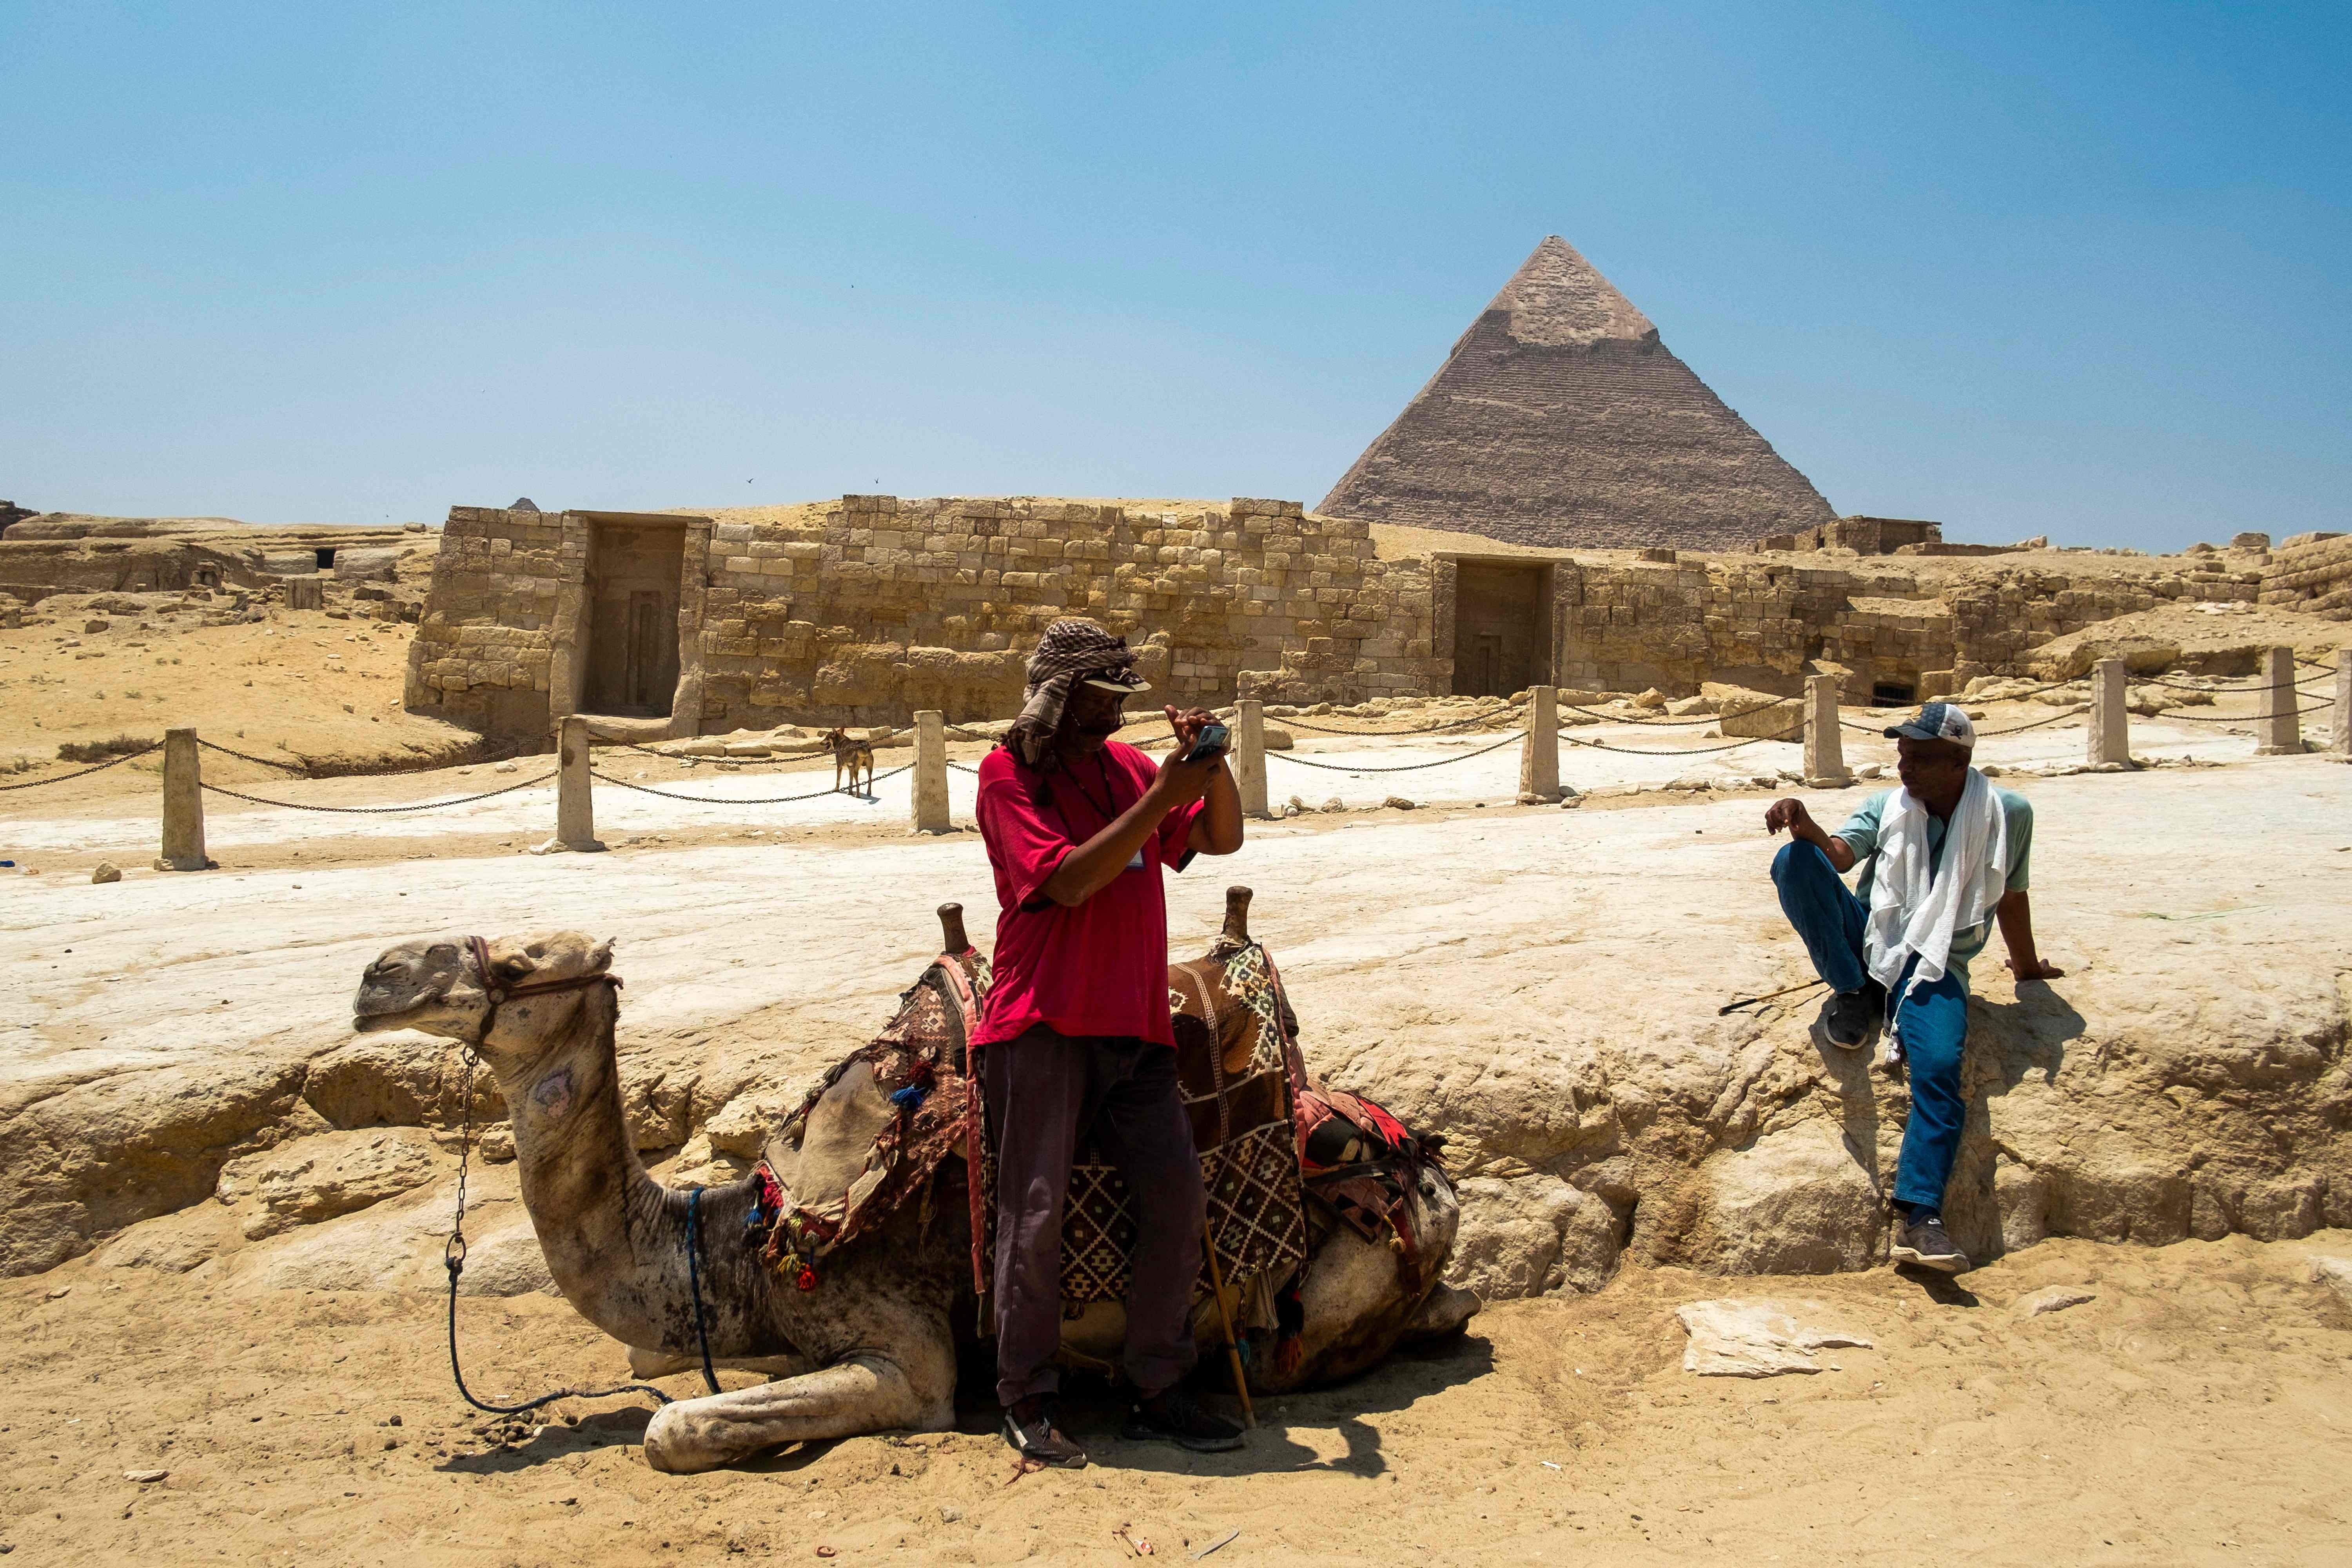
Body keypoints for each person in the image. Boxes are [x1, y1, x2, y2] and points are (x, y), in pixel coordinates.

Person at [971, 619, 1247, 1468]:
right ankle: (1027, 1393)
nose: (1108, 718)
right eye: (1093, 701)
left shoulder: (1130, 769)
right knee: (1036, 1211)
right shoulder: (1006, 772)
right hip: (1045, 1023)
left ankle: (1156, 1383)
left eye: (1117, 702)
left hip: (1135, 1027)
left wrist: (1210, 763)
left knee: (1177, 1200)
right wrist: (1163, 798)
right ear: (1056, 698)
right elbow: (1067, 880)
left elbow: (1221, 836)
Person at [1762, 700, 2062, 1274]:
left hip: (1937, 959)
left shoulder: (2007, 812)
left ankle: (1922, 1215)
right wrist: (1811, 828)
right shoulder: (1889, 805)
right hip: (1872, 943)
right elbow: (1844, 855)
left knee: (1941, 1066)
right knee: (1795, 861)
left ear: (1959, 762)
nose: (1906, 769)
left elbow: (2012, 895)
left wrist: (2025, 970)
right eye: (1902, 755)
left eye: (1921, 759)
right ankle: (1855, 991)